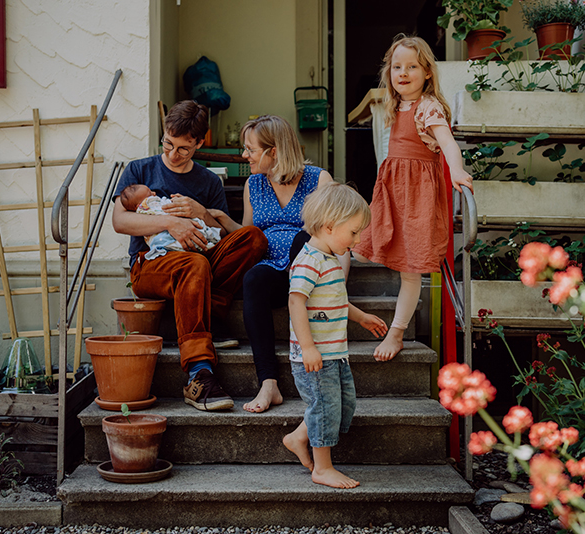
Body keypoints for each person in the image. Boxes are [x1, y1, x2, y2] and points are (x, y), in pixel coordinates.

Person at [112, 100, 267, 412]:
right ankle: (199, 375)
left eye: (183, 148)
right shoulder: (139, 170)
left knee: (253, 238)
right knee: (194, 263)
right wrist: (171, 223)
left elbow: (222, 235)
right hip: (151, 264)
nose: (172, 154)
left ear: (199, 142)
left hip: (199, 260)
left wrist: (202, 213)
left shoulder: (208, 181)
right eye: (168, 143)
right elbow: (120, 222)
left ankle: (210, 313)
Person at [207, 115, 341, 414]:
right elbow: (247, 232)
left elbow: (334, 235)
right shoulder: (254, 183)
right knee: (254, 277)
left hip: (307, 271)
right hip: (272, 271)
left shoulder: (318, 180)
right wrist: (219, 219)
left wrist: (340, 280)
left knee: (303, 237)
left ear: (274, 151)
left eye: (250, 150)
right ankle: (269, 383)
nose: (245, 155)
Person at [352, 34, 474, 361]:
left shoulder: (428, 107)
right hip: (392, 193)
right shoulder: (395, 104)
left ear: (427, 73)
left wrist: (457, 171)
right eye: (396, 67)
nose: (403, 73)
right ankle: (331, 306)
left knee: (410, 269)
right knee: (357, 248)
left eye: (412, 67)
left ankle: (396, 332)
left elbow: (447, 143)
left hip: (418, 198)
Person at [282, 182, 388, 488]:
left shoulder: (329, 259)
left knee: (343, 403)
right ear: (329, 226)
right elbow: (295, 301)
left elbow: (335, 301)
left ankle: (298, 436)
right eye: (353, 232)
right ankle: (322, 467)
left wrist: (361, 317)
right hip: (316, 355)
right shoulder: (308, 261)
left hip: (334, 352)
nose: (357, 240)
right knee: (326, 407)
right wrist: (308, 347)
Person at [119, 183, 222, 259]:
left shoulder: (211, 181)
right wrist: (170, 218)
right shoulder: (148, 205)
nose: (154, 193)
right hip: (162, 243)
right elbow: (119, 223)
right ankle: (205, 242)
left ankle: (205, 242)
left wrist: (203, 213)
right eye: (150, 194)